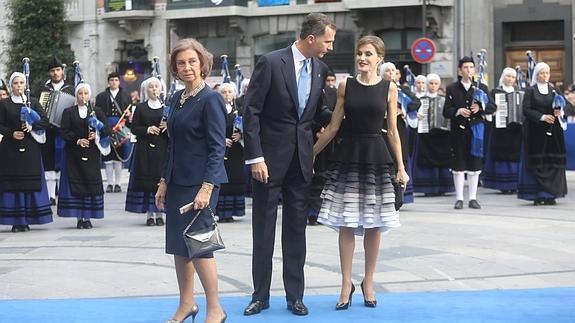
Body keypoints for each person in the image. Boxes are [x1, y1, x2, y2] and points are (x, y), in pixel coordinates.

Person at [242, 12, 336, 316]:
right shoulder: (270, 63)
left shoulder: (320, 68)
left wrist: (342, 115)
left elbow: (315, 112)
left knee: (297, 231)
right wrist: (255, 157)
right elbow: (251, 112)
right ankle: (260, 295)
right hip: (267, 163)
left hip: (301, 162)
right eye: (327, 41)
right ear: (312, 38)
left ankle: (295, 296)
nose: (330, 47)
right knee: (264, 230)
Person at [313, 35, 409, 310]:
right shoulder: (346, 85)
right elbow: (332, 127)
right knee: (346, 222)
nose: (362, 58)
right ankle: (345, 283)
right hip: (348, 156)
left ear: (380, 58)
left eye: (368, 54)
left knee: (373, 224)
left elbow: (392, 130)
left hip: (376, 157)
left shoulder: (390, 88)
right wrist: (311, 155)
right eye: (359, 53)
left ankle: (368, 281)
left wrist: (401, 167)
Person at [155, 38, 228, 323]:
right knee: (178, 246)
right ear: (174, 67)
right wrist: (163, 181)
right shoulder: (176, 98)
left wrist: (206, 189)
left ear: (202, 64)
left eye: (192, 62)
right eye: (181, 63)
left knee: (200, 246)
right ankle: (187, 304)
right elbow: (172, 144)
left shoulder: (211, 99)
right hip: (177, 182)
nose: (187, 68)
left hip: (201, 185)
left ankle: (215, 309)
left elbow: (217, 148)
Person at [0, 72, 53, 232]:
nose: (18, 86)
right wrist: (11, 133)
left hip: (30, 147)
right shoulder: (4, 104)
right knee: (14, 183)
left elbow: (45, 121)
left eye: (21, 83)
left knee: (29, 182)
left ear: (25, 85)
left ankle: (29, 218)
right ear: (11, 86)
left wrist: (32, 126)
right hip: (11, 149)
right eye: (15, 83)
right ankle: (16, 221)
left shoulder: (33, 102)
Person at [443, 56, 496, 209]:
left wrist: (481, 108)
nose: (468, 70)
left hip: (476, 131)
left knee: (475, 164)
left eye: (471, 67)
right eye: (465, 67)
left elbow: (492, 106)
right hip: (458, 132)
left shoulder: (482, 87)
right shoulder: (452, 88)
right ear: (460, 70)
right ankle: (459, 198)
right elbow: (446, 111)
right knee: (458, 165)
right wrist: (458, 111)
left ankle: (473, 198)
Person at [58, 83, 111, 229]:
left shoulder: (96, 111)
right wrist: (77, 139)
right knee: (77, 184)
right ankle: (78, 217)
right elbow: (64, 131)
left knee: (89, 184)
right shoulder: (69, 112)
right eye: (80, 94)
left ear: (90, 95)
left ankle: (87, 217)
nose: (83, 97)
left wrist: (97, 132)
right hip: (74, 154)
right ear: (76, 95)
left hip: (91, 153)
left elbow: (107, 130)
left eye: (85, 93)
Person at [518, 62, 568, 205]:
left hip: (553, 132)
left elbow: (565, 106)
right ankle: (538, 194)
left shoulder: (554, 90)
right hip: (536, 131)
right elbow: (526, 110)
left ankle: (551, 194)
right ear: (537, 75)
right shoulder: (530, 91)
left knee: (552, 163)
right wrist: (542, 117)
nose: (545, 75)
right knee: (538, 162)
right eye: (542, 73)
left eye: (547, 73)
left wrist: (559, 111)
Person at [125, 77, 167, 226]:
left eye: (156, 86)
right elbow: (134, 128)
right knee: (148, 182)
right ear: (146, 90)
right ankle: (150, 214)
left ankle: (161, 213)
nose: (154, 89)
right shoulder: (141, 108)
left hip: (162, 149)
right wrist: (148, 129)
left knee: (160, 180)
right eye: (151, 87)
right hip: (144, 149)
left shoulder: (166, 107)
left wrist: (167, 127)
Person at [39, 57, 76, 206]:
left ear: (62, 71)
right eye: (53, 71)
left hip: (63, 131)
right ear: (49, 73)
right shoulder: (43, 90)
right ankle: (50, 196)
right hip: (48, 130)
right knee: (48, 161)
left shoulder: (71, 90)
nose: (55, 73)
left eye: (58, 70)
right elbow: (39, 109)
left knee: (62, 162)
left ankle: (62, 195)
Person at [380, 62, 419, 205]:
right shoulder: (378, 88)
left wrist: (403, 109)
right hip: (382, 127)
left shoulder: (402, 89)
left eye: (393, 71)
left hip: (399, 127)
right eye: (387, 71)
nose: (390, 73)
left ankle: (401, 194)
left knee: (399, 156)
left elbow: (416, 102)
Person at [412, 73, 454, 196]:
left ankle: (443, 187)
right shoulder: (420, 100)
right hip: (426, 134)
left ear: (439, 85)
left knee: (443, 159)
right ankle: (428, 188)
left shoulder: (444, 99)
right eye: (431, 83)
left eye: (436, 84)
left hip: (442, 134)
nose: (433, 86)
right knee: (426, 160)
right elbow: (414, 115)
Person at [483, 68, 523, 193]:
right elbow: (487, 108)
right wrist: (494, 109)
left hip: (515, 129)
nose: (510, 79)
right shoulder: (495, 92)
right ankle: (503, 185)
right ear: (503, 77)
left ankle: (515, 184)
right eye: (508, 76)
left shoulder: (519, 93)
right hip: (500, 129)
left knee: (515, 155)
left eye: (512, 77)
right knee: (501, 155)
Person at [95, 72, 131, 193]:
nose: (114, 82)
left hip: (120, 128)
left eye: (116, 80)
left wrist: (128, 116)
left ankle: (118, 183)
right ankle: (110, 183)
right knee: (107, 155)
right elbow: (98, 112)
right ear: (108, 82)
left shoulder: (126, 95)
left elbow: (129, 114)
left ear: (119, 81)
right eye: (112, 80)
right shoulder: (101, 96)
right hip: (106, 127)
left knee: (118, 156)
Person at [216, 82, 246, 223]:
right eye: (224, 92)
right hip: (221, 150)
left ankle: (233, 211)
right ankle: (222, 212)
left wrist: (241, 135)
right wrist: (221, 140)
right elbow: (210, 128)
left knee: (235, 178)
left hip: (236, 150)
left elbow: (248, 126)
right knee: (222, 180)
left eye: (229, 91)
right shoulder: (215, 110)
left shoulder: (239, 111)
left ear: (234, 94)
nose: (227, 94)